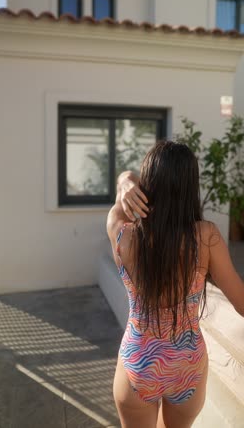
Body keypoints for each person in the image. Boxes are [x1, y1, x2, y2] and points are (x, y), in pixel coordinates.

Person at [106, 140, 244, 428]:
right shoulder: (206, 236)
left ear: (147, 184)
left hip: (139, 361)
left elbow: (119, 203)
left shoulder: (124, 233)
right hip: (188, 364)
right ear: (190, 187)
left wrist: (124, 180)